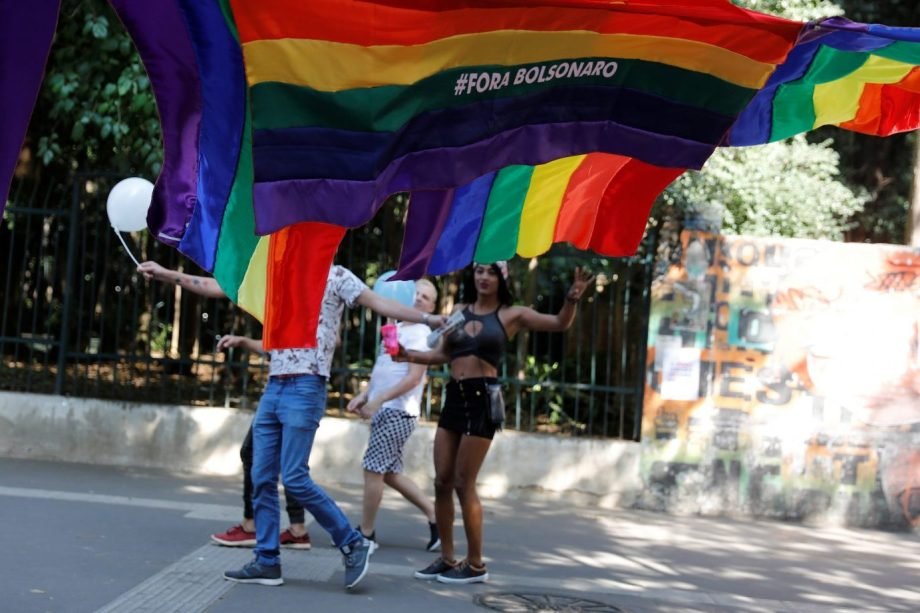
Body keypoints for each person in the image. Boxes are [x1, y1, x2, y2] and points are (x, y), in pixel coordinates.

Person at [137, 261, 444, 590]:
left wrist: (428, 319)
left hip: (306, 385)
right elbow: (221, 285)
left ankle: (353, 542)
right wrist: (166, 273)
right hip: (275, 386)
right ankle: (267, 560)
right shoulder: (276, 269)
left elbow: (380, 302)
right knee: (261, 477)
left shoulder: (335, 274)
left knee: (295, 477)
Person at [397, 262, 594, 584]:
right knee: (442, 481)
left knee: (464, 482)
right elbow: (444, 355)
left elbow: (559, 323)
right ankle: (447, 558)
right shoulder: (458, 311)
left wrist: (572, 298)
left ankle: (476, 564)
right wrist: (410, 356)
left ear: (502, 278)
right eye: (479, 271)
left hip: (483, 399)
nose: (484, 277)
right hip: (455, 396)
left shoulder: (512, 314)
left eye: (491, 272)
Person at [136, 261, 311, 550]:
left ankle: (264, 527)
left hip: (294, 388)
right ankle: (294, 528)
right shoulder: (279, 278)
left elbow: (323, 340)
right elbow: (216, 287)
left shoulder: (306, 283)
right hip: (288, 386)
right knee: (282, 460)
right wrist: (166, 274)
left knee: (268, 458)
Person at [346, 279, 440, 553]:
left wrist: (379, 400)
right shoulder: (395, 328)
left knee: (373, 469)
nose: (419, 298)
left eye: (426, 297)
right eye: (416, 293)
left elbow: (413, 378)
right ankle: (436, 516)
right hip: (385, 408)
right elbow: (384, 368)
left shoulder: (421, 333)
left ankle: (366, 533)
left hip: (398, 411)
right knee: (388, 473)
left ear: (432, 307)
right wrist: (365, 396)